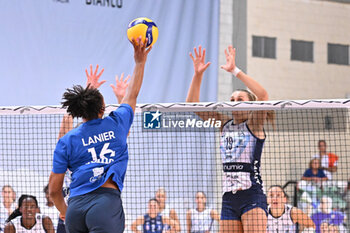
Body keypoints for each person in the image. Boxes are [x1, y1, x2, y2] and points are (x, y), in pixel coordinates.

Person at [48, 36, 152, 233]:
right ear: (103, 108)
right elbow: (132, 95)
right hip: (105, 204)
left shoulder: (67, 140)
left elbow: (54, 190)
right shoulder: (116, 123)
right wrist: (140, 61)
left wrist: (65, 211)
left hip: (75, 207)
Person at [186, 45, 273, 233]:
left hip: (252, 196)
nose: (233, 102)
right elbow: (192, 105)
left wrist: (235, 70)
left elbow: (263, 95)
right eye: (232, 99)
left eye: (239, 98)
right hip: (228, 199)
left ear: (251, 105)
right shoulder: (223, 124)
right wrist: (198, 75)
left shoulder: (254, 124)